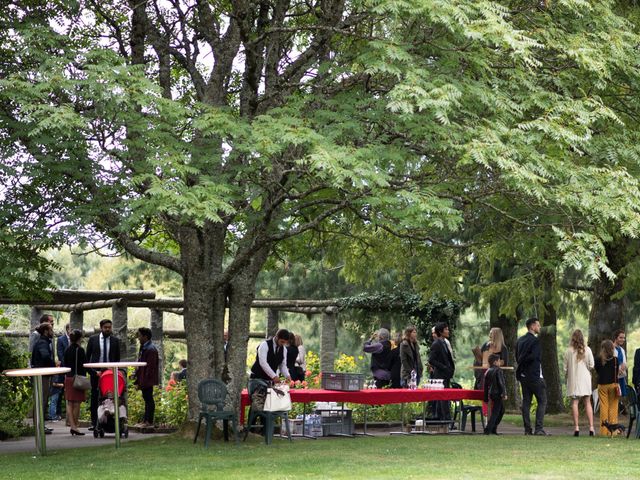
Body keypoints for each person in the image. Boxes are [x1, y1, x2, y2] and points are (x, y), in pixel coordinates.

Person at [86, 319, 121, 430]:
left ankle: (108, 422)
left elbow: (117, 359)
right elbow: (87, 358)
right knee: (95, 397)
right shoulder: (93, 339)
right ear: (101, 327)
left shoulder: (115, 341)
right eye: (105, 327)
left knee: (110, 397)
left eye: (109, 327)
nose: (107, 329)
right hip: (96, 373)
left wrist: (113, 370)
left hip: (110, 373)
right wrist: (93, 372)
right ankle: (94, 422)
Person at [515, 317, 548, 435]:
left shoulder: (520, 341)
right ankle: (539, 428)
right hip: (534, 375)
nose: (539, 328)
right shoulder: (535, 341)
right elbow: (535, 357)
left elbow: (516, 356)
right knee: (542, 400)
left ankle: (527, 429)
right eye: (538, 325)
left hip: (523, 376)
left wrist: (522, 362)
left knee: (526, 402)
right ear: (532, 326)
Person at [563, 329, 595, 436]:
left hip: (573, 380)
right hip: (585, 379)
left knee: (575, 403)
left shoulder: (568, 351)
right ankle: (591, 428)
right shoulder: (588, 350)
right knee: (587, 403)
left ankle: (576, 428)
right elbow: (591, 365)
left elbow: (565, 368)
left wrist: (566, 377)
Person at [31, 322, 55, 434]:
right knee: (41, 400)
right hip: (42, 375)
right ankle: (39, 426)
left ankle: (40, 425)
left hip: (42, 374)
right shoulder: (42, 343)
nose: (53, 332)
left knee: (42, 400)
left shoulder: (43, 341)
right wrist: (53, 365)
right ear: (46, 331)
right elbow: (45, 356)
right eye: (51, 329)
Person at [63, 329, 87, 436]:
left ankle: (72, 425)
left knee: (69, 403)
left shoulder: (67, 349)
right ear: (80, 338)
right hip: (78, 378)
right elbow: (84, 364)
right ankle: (74, 426)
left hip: (68, 377)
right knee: (77, 403)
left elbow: (65, 363)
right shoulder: (80, 350)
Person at [428, 322, 455, 420]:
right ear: (440, 331)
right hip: (439, 375)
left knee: (445, 397)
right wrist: (443, 367)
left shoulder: (444, 342)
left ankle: (443, 419)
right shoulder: (436, 344)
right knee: (442, 398)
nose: (448, 331)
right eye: (446, 329)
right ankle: (445, 419)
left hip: (446, 374)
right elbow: (431, 360)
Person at [134, 327, 160, 428]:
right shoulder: (144, 347)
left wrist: (143, 381)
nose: (138, 338)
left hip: (147, 380)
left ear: (145, 336)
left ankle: (149, 421)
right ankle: (145, 420)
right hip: (144, 379)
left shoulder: (151, 349)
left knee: (149, 399)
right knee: (147, 398)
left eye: (140, 336)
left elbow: (150, 368)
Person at [595, 339, 620, 436]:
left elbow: (597, 371)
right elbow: (616, 373)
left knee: (604, 407)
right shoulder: (615, 360)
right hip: (613, 385)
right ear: (612, 348)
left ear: (603, 349)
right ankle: (613, 431)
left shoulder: (598, 359)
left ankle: (604, 431)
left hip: (602, 385)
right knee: (613, 407)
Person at [483, 353, 507, 435]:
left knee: (501, 410)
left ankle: (493, 427)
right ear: (495, 362)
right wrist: (504, 393)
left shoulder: (488, 371)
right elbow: (501, 383)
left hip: (492, 393)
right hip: (498, 393)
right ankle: (488, 429)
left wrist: (485, 398)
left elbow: (486, 386)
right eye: (498, 360)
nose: (500, 362)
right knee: (496, 412)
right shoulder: (498, 370)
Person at [613, 330, 627, 398]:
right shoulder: (611, 348)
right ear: (616, 338)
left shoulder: (622, 350)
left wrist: (624, 366)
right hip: (613, 378)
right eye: (620, 337)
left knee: (619, 397)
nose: (623, 339)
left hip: (621, 377)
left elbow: (624, 363)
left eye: (623, 338)